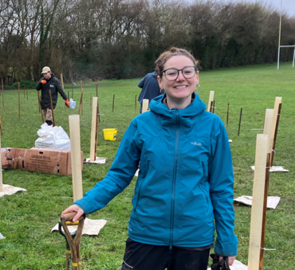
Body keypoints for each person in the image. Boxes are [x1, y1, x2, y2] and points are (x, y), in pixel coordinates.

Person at [62, 47, 237, 269]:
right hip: (146, 233)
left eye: (187, 71)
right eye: (172, 72)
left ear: (197, 77)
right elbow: (118, 174)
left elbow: (221, 187)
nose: (180, 77)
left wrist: (227, 239)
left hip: (194, 238)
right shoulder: (141, 125)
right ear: (160, 81)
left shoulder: (213, 126)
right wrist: (87, 203)